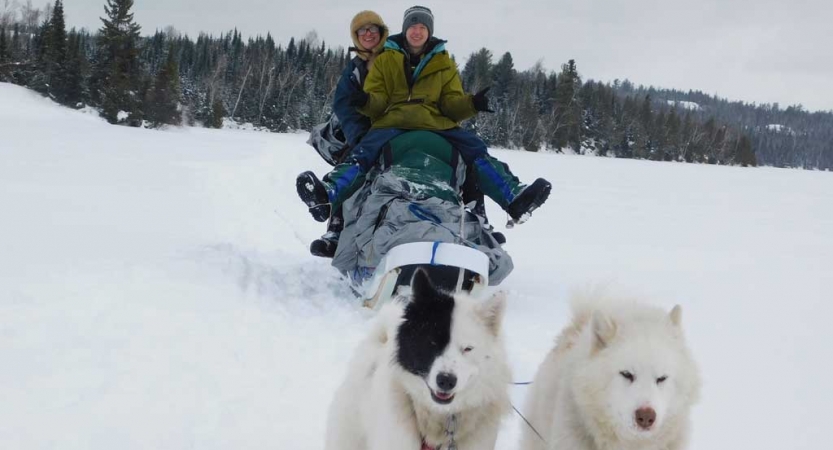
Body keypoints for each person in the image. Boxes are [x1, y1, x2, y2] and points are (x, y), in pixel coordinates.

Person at [298, 5, 550, 233]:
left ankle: (514, 198)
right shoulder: (386, 59)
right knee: (363, 153)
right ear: (405, 30)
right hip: (394, 122)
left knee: (475, 149)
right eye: (413, 27)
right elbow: (379, 100)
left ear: (428, 32)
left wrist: (471, 104)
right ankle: (328, 196)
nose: (417, 32)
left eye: (422, 27)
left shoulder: (444, 63)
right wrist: (365, 102)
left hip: (436, 123)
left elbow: (450, 104)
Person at [307, 10, 389, 258]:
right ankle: (336, 227)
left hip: (400, 126)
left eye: (372, 29)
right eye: (362, 31)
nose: (367, 34)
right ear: (356, 36)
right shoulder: (353, 71)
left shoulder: (396, 59)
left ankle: (473, 220)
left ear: (381, 33)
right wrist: (358, 134)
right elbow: (343, 106)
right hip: (365, 132)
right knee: (352, 161)